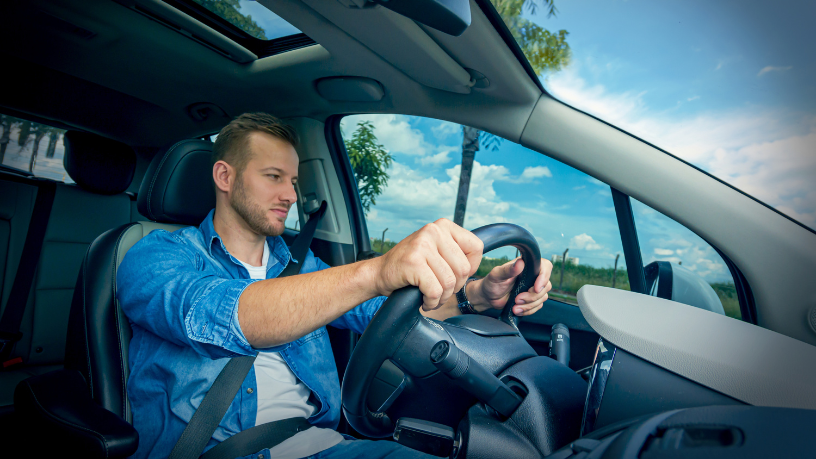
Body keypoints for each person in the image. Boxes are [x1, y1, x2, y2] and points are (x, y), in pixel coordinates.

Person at [117, 113, 554, 458]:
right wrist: (375, 270)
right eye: (273, 177)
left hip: (325, 445)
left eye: (293, 180)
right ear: (225, 177)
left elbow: (382, 311)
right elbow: (232, 315)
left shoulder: (300, 264)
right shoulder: (156, 255)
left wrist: (475, 295)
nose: (290, 194)